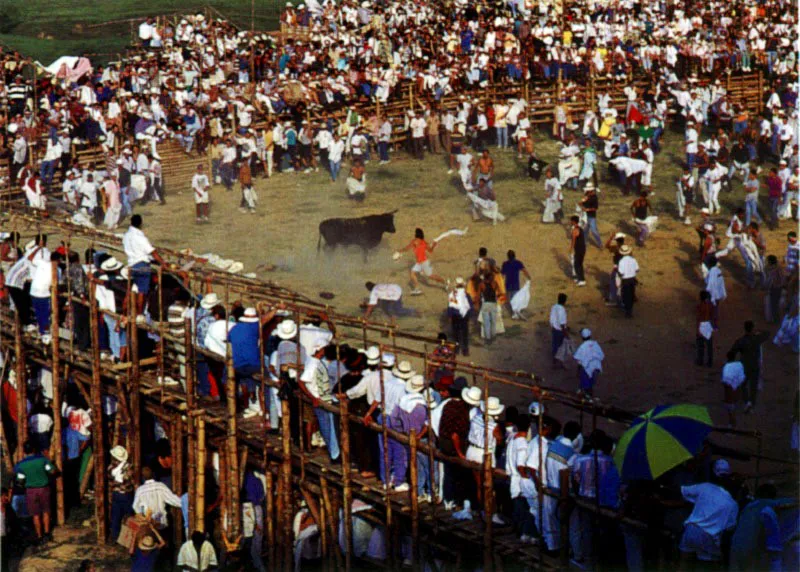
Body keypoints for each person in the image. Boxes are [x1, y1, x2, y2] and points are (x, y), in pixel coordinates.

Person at [678, 459, 739, 567]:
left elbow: (682, 491)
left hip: (691, 529)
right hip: (709, 536)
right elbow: (730, 527)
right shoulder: (733, 504)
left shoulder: (704, 487)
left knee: (683, 564)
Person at [12, 441, 55, 545]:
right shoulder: (43, 460)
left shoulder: (20, 465)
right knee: (46, 511)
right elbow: (52, 471)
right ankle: (47, 533)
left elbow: (20, 480)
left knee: (35, 515)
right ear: (34, 450)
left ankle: (39, 536)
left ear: (24, 451)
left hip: (30, 491)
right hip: (44, 488)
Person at [122, 214, 165, 316]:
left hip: (131, 265)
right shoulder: (140, 237)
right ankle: (140, 313)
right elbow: (152, 252)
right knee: (142, 291)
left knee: (130, 289)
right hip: (142, 265)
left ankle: (124, 312)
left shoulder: (126, 235)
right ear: (140, 224)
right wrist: (163, 263)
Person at [729, 321, 770, 413]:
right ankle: (751, 404)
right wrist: (758, 331)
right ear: (752, 329)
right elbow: (767, 333)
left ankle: (747, 401)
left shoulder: (741, 341)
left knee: (743, 385)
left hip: (745, 366)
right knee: (753, 386)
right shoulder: (757, 339)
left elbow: (732, 352)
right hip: (755, 366)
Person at [396, 228, 446, 294]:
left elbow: (407, 248)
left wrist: (399, 251)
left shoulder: (414, 241)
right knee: (412, 273)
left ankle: (444, 282)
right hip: (420, 262)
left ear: (416, 234)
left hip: (424, 263)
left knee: (431, 276)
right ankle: (417, 289)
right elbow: (430, 251)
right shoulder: (424, 242)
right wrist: (433, 245)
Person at [109, 445, 134, 542]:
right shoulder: (128, 467)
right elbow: (129, 480)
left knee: (116, 516)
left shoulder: (112, 467)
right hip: (125, 494)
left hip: (117, 493)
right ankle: (127, 539)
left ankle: (115, 537)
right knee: (129, 515)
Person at [572, 329, 605, 398]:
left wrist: (578, 371)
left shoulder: (582, 347)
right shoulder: (595, 344)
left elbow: (579, 361)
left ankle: (588, 397)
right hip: (596, 366)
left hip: (587, 368)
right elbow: (602, 356)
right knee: (591, 381)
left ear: (582, 337)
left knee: (586, 384)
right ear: (590, 336)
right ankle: (584, 391)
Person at [500, 250, 531, 319]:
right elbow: (524, 270)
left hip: (508, 285)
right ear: (514, 256)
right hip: (515, 285)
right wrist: (528, 277)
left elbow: (502, 275)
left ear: (508, 256)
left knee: (510, 299)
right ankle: (515, 313)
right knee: (515, 299)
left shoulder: (505, 264)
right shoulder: (518, 263)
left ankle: (514, 313)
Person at [721, 351, 746, 428]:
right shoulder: (739, 365)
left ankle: (732, 424)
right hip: (737, 387)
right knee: (733, 405)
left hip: (729, 388)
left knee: (729, 407)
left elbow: (725, 380)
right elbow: (742, 378)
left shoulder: (727, 367)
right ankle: (733, 423)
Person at [447, 277, 471, 356]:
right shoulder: (466, 294)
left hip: (455, 316)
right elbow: (469, 306)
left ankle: (457, 349)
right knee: (465, 334)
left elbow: (451, 306)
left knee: (456, 334)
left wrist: (449, 316)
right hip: (464, 317)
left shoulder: (453, 294)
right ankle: (465, 350)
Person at [618, 245, 639, 318]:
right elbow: (637, 269)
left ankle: (628, 311)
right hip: (632, 279)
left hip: (625, 280)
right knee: (631, 294)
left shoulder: (621, 261)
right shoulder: (633, 259)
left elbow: (621, 273)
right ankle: (630, 310)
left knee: (626, 296)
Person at [696, 290, 715, 366]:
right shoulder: (710, 306)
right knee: (709, 345)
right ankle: (710, 362)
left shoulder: (699, 306)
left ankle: (700, 361)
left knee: (701, 345)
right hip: (708, 325)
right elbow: (712, 316)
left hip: (702, 325)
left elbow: (698, 319)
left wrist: (698, 330)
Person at [549, 293, 569, 368]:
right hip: (560, 331)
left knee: (555, 346)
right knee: (561, 347)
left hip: (554, 329)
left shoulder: (554, 307)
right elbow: (562, 324)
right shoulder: (562, 310)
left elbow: (551, 318)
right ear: (564, 301)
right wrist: (566, 334)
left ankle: (554, 362)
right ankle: (560, 363)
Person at [569, 216, 586, 286]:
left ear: (573, 221)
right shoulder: (580, 228)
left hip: (579, 249)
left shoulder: (575, 230)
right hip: (582, 248)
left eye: (571, 221)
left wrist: (571, 249)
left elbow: (573, 240)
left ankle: (581, 279)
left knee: (577, 264)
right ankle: (579, 278)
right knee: (579, 264)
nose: (570, 222)